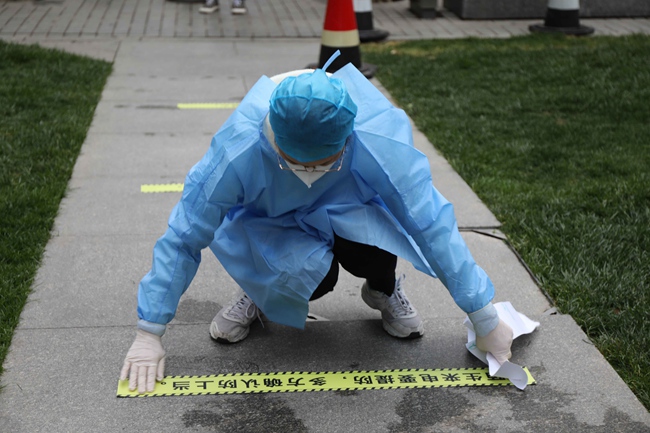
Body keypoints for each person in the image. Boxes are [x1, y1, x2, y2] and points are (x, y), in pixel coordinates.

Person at [119, 52, 514, 394]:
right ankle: (257, 292)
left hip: (351, 211)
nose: (308, 173)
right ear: (273, 139)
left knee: (375, 250)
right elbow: (184, 235)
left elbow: (429, 222)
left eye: (323, 164)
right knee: (314, 280)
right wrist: (149, 331)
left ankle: (384, 289)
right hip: (275, 221)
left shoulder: (374, 135)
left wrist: (483, 315)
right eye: (294, 163)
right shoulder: (238, 148)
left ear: (347, 139)